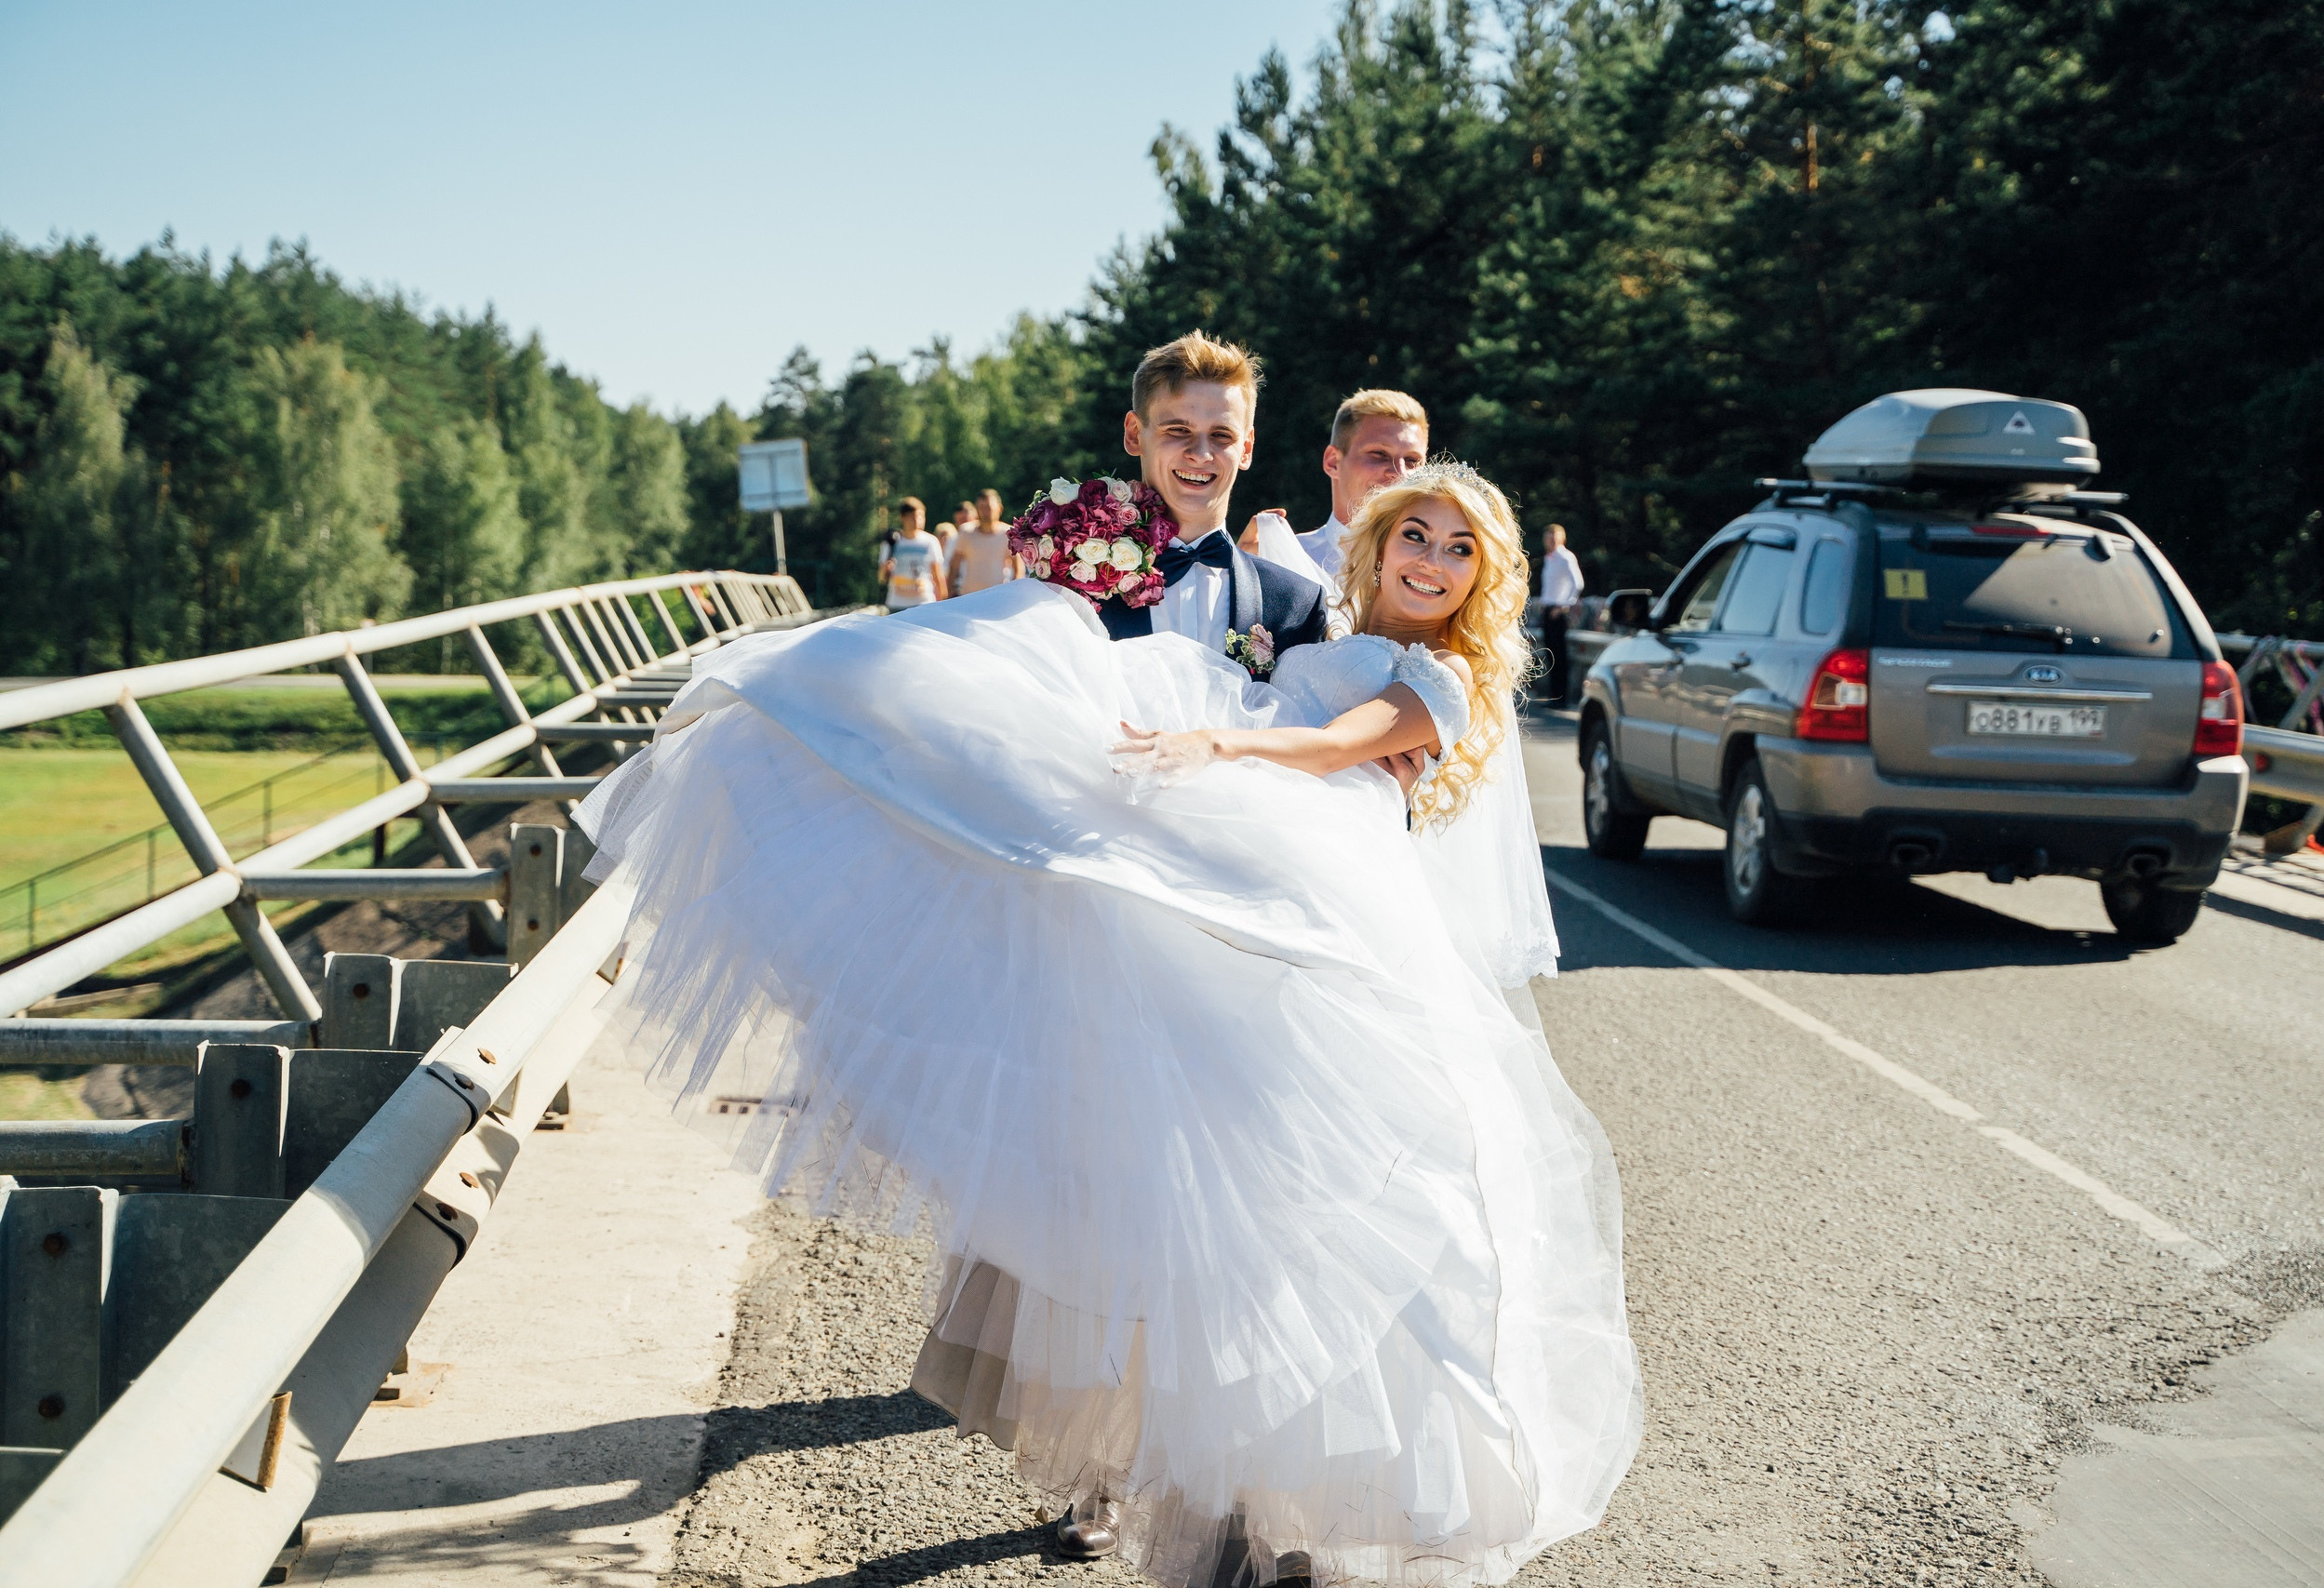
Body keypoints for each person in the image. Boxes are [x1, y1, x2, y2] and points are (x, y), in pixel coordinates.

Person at [572, 447, 1640, 1588]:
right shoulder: (1317, 632)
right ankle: (1222, 1508)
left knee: (1293, 1225)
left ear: (1487, 580)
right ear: (1377, 546)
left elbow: (1335, 746)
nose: (1432, 561)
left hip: (1308, 918)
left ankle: (1272, 1517)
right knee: (1191, 1197)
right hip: (1242, 909)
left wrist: (1224, 741)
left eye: (1460, 549)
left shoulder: (1437, 681)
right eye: (1416, 536)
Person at [1105, 332, 1329, 663]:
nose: (1200, 453)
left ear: (1247, 448)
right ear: (1135, 433)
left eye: (1221, 435)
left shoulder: (1298, 603)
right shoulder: (1075, 581)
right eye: (1178, 430)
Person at [1297, 389, 1430, 581]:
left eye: (1412, 460)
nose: (1399, 473)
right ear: (1333, 462)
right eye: (1379, 454)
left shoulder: (1434, 571)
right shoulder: (1288, 558)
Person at [1537, 524, 1585, 703]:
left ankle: (1561, 698)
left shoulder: (1565, 557)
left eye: (1555, 536)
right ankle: (1553, 694)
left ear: (1562, 538)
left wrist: (1564, 606)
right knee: (1550, 654)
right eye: (1549, 536)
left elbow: (1578, 584)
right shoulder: (1549, 559)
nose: (1552, 539)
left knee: (1559, 656)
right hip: (1548, 610)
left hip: (1558, 611)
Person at [881, 497, 947, 608]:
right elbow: (881, 578)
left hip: (924, 603)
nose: (918, 520)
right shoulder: (892, 542)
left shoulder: (930, 541)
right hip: (896, 604)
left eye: (921, 516)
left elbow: (938, 574)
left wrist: (944, 602)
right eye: (913, 517)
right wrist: (886, 569)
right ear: (903, 518)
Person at [948, 496, 1020, 596]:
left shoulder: (1008, 534)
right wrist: (950, 592)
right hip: (969, 597)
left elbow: (1018, 568)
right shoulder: (966, 532)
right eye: (982, 508)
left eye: (989, 508)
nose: (985, 512)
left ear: (999, 509)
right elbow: (955, 565)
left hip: (999, 597)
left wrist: (1014, 594)